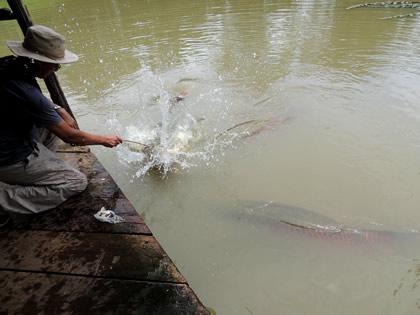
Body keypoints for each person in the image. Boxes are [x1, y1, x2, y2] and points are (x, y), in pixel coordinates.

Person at [0, 25, 123, 227]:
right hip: (8, 157)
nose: (56, 69)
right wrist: (104, 139)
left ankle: (37, 172)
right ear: (37, 61)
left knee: (50, 131)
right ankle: (5, 200)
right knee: (76, 182)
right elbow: (71, 137)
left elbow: (34, 100)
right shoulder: (28, 93)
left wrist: (58, 108)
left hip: (6, 136)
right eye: (54, 64)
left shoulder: (9, 66)